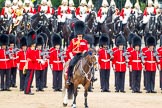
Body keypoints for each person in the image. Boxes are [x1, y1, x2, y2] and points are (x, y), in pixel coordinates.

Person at [24, 30, 37, 95]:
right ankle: (27, 90)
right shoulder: (30, 50)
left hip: (31, 65)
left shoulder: (30, 49)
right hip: (31, 66)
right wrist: (39, 60)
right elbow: (33, 59)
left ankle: (27, 89)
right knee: (29, 79)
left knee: (28, 78)